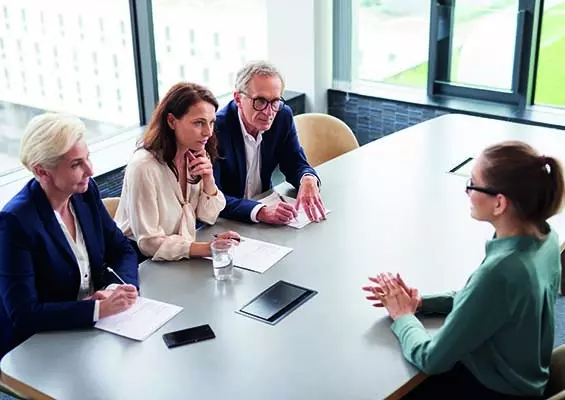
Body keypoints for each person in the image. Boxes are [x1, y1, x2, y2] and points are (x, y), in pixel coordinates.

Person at [363, 141, 564, 399]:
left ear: (499, 203)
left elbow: (430, 358)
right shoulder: (545, 237)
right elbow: (484, 301)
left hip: (494, 390)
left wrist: (403, 316)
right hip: (527, 377)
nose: (467, 191)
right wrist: (422, 302)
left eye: (473, 183)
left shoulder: (502, 271)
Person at [0, 113, 139, 360]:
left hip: (95, 331)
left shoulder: (84, 193)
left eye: (88, 158)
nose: (90, 170)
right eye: (76, 164)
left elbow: (122, 249)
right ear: (42, 171)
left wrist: (115, 290)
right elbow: (24, 315)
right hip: (41, 346)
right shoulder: (15, 222)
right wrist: (96, 309)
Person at [115, 82, 238, 261]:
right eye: (199, 123)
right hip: (141, 262)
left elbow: (208, 217)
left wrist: (208, 180)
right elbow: (149, 243)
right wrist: (207, 248)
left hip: (177, 256)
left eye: (211, 123)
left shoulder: (195, 153)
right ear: (172, 121)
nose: (208, 132)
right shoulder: (143, 167)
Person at [213, 60, 326, 225]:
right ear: (238, 98)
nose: (268, 112)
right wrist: (260, 211)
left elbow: (294, 162)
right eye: (260, 101)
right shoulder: (216, 129)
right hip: (227, 222)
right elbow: (213, 198)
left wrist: (307, 178)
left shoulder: (282, 116)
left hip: (266, 208)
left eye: (275, 101)